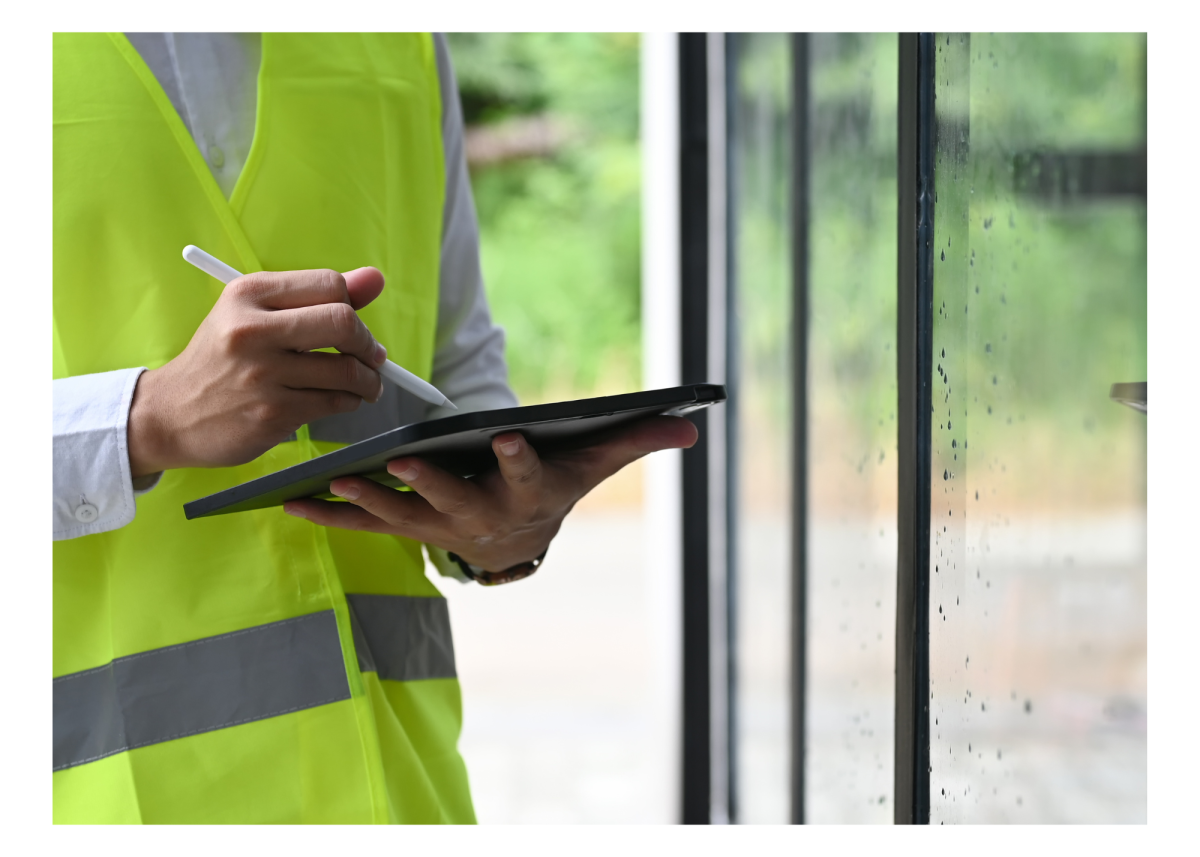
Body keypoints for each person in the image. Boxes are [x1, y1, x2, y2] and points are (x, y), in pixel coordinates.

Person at [52, 32, 696, 824]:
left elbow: (457, 364)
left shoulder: (403, 42)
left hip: (394, 789)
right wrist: (142, 420)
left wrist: (499, 527)